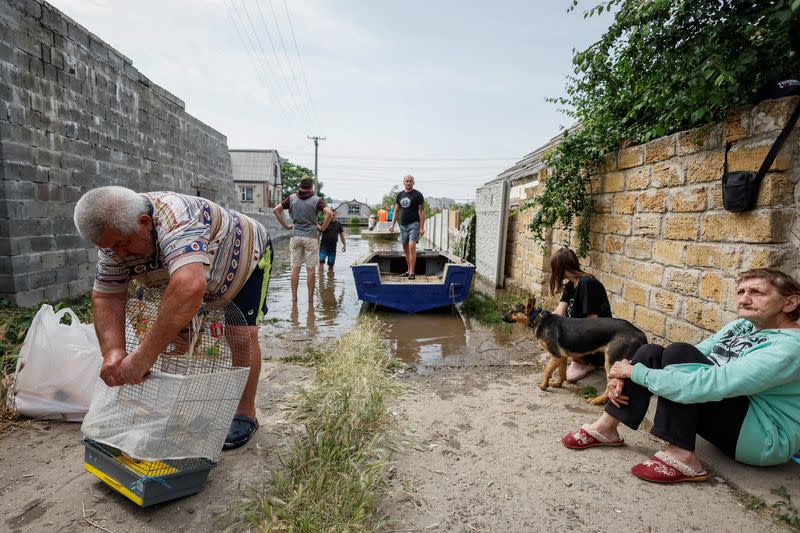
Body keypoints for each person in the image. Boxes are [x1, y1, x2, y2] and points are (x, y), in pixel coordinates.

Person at [73, 186, 273, 450]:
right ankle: (176, 404)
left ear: (144, 223)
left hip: (244, 257)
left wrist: (143, 357)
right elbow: (107, 297)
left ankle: (245, 413)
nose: (118, 253)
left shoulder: (178, 218)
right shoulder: (115, 242)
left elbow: (189, 287)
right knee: (176, 340)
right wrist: (113, 352)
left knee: (241, 336)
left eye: (122, 244)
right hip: (183, 272)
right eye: (109, 248)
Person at [562, 268, 800, 483]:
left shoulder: (790, 348)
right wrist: (624, 370)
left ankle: (683, 456)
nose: (744, 299)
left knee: (676, 355)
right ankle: (607, 426)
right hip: (734, 415)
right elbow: (695, 354)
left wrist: (636, 373)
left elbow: (710, 383)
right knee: (652, 352)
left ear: (789, 303)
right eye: (741, 291)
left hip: (761, 438)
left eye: (757, 292)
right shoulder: (744, 326)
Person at [549, 248, 611, 381]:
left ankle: (590, 363)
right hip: (579, 337)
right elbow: (559, 312)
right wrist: (539, 321)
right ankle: (575, 357)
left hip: (595, 344)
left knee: (568, 377)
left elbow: (592, 324)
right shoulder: (570, 285)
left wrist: (571, 347)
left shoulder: (588, 284)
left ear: (561, 267)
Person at [273, 177, 333, 303]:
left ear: (300, 185)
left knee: (295, 268)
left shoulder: (292, 198)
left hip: (295, 236)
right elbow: (329, 214)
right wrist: (322, 228)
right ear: (312, 186)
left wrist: (286, 226)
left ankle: (294, 299)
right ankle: (310, 300)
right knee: (311, 269)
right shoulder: (317, 200)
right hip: (311, 237)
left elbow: (276, 210)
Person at [388, 175, 425, 280]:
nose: (408, 183)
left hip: (414, 224)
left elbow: (422, 211)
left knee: (411, 246)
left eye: (410, 181)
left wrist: (422, 227)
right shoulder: (400, 195)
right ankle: (408, 270)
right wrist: (392, 224)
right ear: (403, 182)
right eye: (407, 181)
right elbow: (396, 210)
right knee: (405, 248)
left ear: (413, 182)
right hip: (402, 225)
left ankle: (412, 272)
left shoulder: (418, 195)